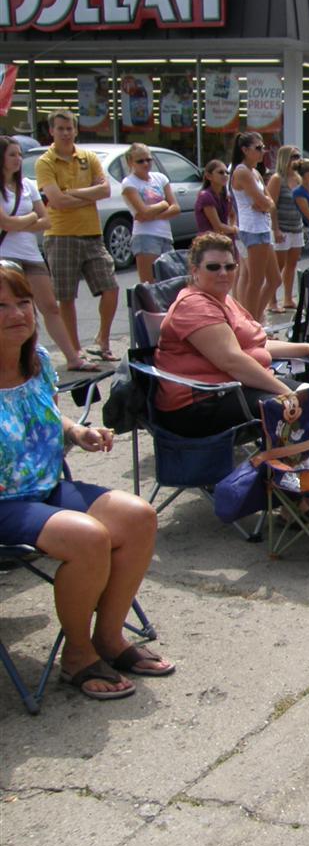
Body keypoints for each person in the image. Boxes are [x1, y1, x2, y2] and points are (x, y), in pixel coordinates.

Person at [0, 262, 173, 700]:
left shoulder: (37, 361)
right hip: (5, 505)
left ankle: (109, 638)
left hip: (47, 488)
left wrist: (77, 432)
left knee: (138, 516)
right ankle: (77, 654)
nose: (17, 314)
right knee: (89, 538)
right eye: (0, 306)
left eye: (23, 302)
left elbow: (44, 416)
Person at [151, 232, 309, 439]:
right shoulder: (194, 305)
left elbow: (256, 344)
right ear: (195, 271)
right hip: (202, 400)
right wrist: (287, 393)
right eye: (213, 267)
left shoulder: (224, 300)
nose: (223, 273)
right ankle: (298, 459)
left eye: (230, 267)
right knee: (299, 408)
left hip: (237, 387)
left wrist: (307, 348)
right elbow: (232, 361)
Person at [33, 109, 118, 364]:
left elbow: (105, 190)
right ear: (51, 131)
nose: (66, 133)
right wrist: (87, 194)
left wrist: (72, 192)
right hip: (60, 235)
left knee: (111, 288)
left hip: (92, 233)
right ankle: (75, 349)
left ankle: (103, 340)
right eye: (60, 128)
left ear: (76, 130)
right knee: (66, 296)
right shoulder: (45, 162)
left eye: (69, 128)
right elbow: (56, 201)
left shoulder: (88, 157)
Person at [0, 136, 86, 370]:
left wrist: (22, 222)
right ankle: (18, 361)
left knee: (49, 306)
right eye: (12, 155)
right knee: (12, 311)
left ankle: (73, 358)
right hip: (6, 256)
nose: (18, 159)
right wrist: (30, 218)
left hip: (31, 254)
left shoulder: (27, 185)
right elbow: (6, 223)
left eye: (20, 155)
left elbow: (46, 220)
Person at [229, 132, 280, 321]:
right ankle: (250, 323)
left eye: (263, 147)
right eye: (258, 148)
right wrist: (264, 203)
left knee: (274, 280)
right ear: (244, 150)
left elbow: (270, 203)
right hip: (252, 230)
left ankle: (256, 319)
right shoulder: (241, 171)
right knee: (255, 280)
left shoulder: (256, 172)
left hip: (262, 228)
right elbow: (264, 202)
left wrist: (264, 203)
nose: (263, 151)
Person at [120, 143, 179, 285]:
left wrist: (153, 215)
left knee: (171, 282)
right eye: (140, 161)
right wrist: (163, 204)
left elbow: (176, 208)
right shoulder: (129, 182)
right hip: (145, 237)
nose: (145, 164)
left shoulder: (160, 178)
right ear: (130, 162)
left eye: (148, 159)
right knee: (150, 285)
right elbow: (143, 212)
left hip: (165, 236)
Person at [267, 145, 304, 312]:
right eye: (294, 156)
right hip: (281, 227)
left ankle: (288, 298)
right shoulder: (277, 179)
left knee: (292, 265)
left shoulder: (299, 178)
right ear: (285, 158)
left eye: (298, 156)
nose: (297, 160)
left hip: (296, 226)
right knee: (277, 266)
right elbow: (271, 205)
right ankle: (272, 301)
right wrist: (275, 229)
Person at [195, 159, 238, 240]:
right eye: (221, 172)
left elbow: (232, 214)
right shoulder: (205, 196)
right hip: (209, 241)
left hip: (224, 239)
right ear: (209, 176)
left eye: (227, 173)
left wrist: (233, 226)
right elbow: (217, 226)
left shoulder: (225, 196)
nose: (225, 175)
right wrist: (234, 230)